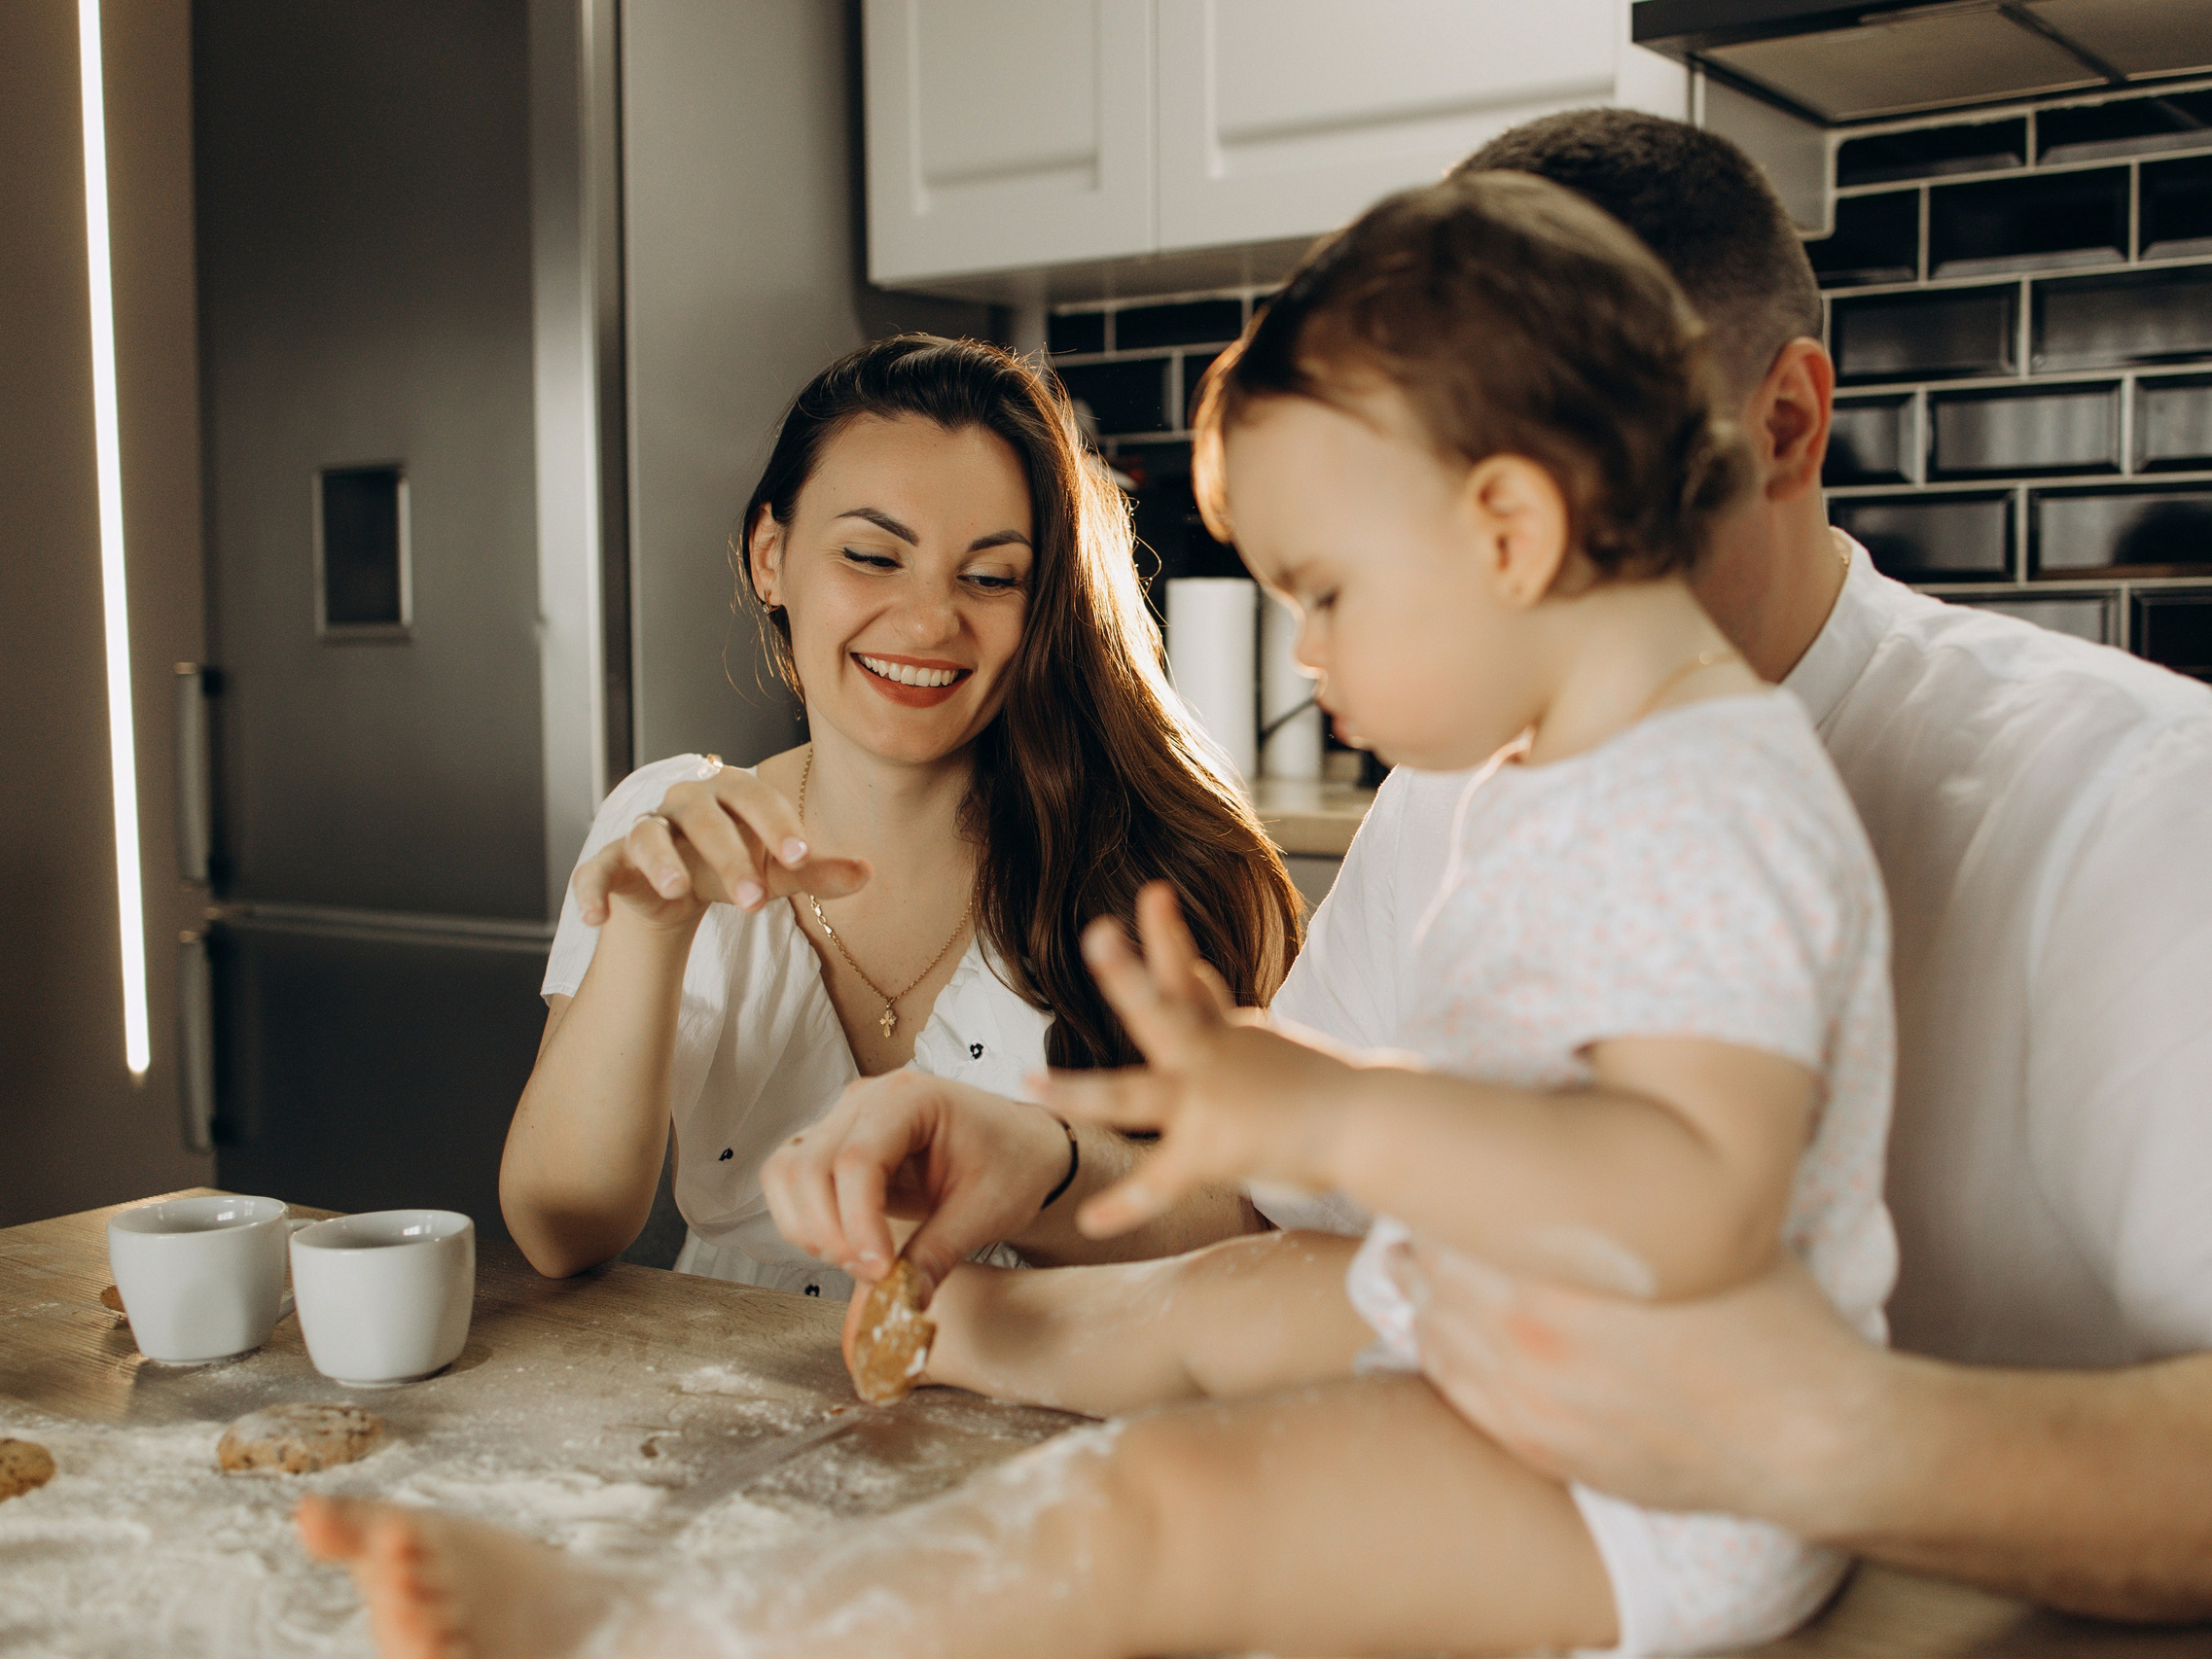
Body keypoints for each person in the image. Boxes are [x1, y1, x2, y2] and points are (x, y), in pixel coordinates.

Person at [301, 170, 1892, 1659]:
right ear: (774, 559)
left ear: (1509, 534)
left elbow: (1695, 1208)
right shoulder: (1574, 781)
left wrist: (1330, 1114)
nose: (1312, 660)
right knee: (1219, 1299)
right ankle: (964, 1336)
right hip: (1550, 1340)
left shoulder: (1704, 801)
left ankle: (656, 1634)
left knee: (1153, 1511)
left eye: (1325, 591)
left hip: (1664, 1464)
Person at [1272, 110, 2212, 1621]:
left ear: (1788, 424)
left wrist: (1814, 1433)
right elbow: (1308, 1209)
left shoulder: (2127, 797)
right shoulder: (1467, 777)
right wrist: (1063, 1159)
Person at [498, 334, 1295, 1294]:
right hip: (731, 1402)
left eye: (991, 575)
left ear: (1045, 600)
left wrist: (1035, 1169)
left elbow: (1256, 1225)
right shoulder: (668, 823)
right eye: (873, 555)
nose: (928, 620)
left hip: (1062, 1396)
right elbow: (559, 1230)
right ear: (770, 557)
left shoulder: (1169, 857)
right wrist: (649, 928)